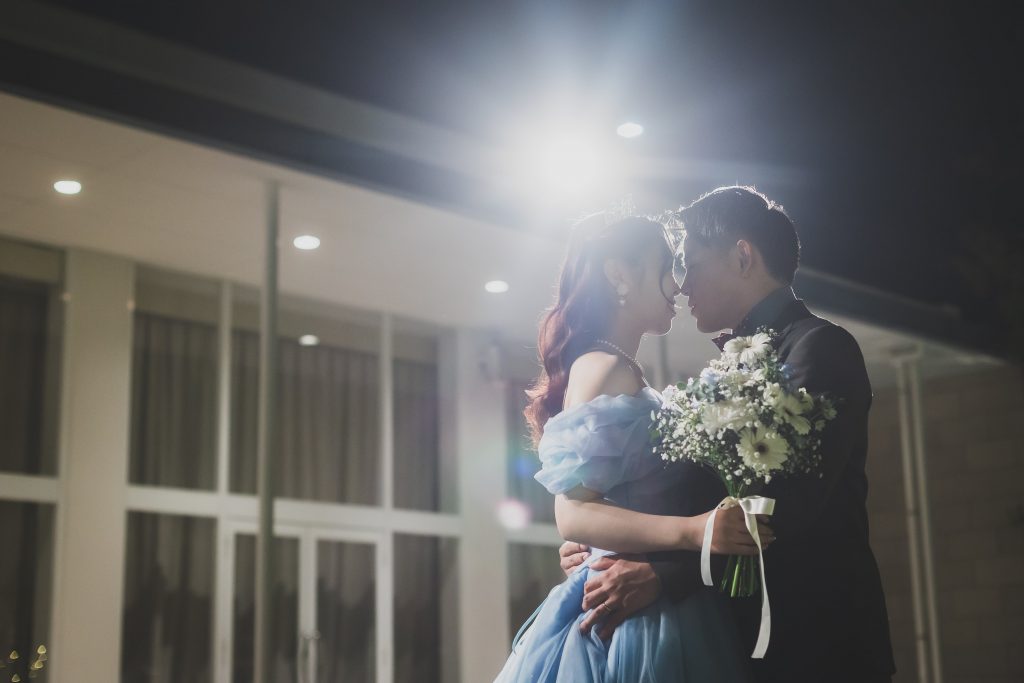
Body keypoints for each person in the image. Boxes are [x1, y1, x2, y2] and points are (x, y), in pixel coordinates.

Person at [559, 187, 897, 683]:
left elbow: (786, 500)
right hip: (733, 639)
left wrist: (663, 574)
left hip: (814, 642)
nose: (682, 284)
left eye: (692, 264)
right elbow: (699, 493)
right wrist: (605, 543)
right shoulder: (723, 370)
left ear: (742, 257)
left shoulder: (820, 347)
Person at [495, 213, 768, 682]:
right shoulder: (605, 368)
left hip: (656, 605)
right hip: (639, 627)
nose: (677, 285)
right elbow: (573, 513)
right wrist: (694, 531)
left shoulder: (618, 368)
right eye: (665, 266)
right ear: (619, 274)